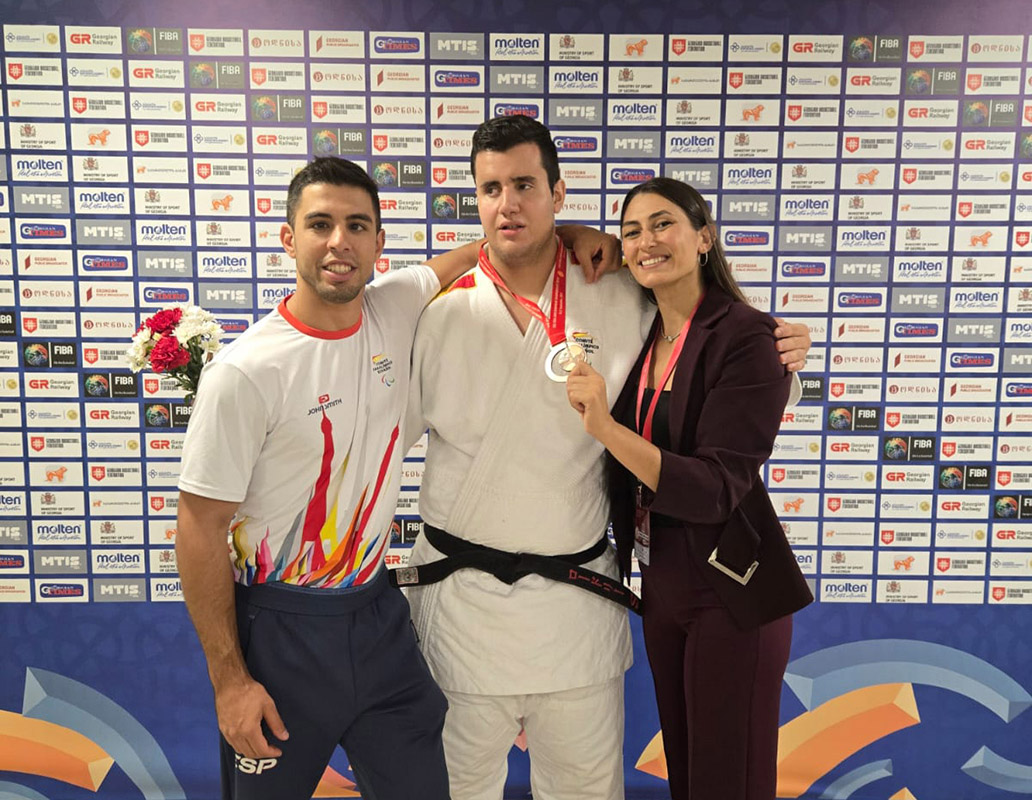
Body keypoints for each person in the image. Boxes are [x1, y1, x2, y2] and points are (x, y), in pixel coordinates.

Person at [174, 155, 612, 800]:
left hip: (379, 617)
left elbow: (488, 245)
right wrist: (231, 681)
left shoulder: (396, 304)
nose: (338, 243)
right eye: (319, 225)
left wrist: (573, 234)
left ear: (380, 243)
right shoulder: (246, 372)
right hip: (282, 627)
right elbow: (198, 527)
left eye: (357, 226)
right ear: (287, 237)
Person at [403, 116, 812, 799]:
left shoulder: (622, 290)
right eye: (492, 188)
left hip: (575, 598)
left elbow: (706, 352)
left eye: (526, 185)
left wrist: (782, 358)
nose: (510, 203)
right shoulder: (433, 310)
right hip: (463, 602)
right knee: (455, 786)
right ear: (475, 200)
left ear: (559, 193)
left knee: (587, 787)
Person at [565, 177, 814, 800]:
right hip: (664, 582)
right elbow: (560, 247)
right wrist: (580, 233)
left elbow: (716, 488)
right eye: (631, 231)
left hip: (731, 586)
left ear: (704, 238)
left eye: (663, 224)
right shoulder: (642, 330)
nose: (646, 242)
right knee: (689, 777)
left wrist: (604, 428)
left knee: (729, 781)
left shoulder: (747, 336)